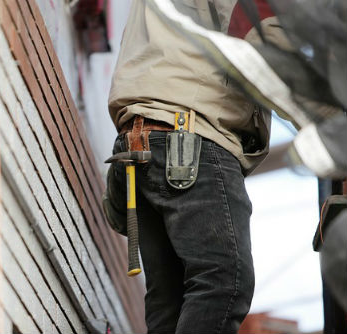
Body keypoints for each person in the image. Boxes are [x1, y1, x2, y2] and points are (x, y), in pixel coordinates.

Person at [104, 1, 291, 332]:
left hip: (141, 140)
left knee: (170, 303)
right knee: (225, 280)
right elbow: (266, 48)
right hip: (187, 140)